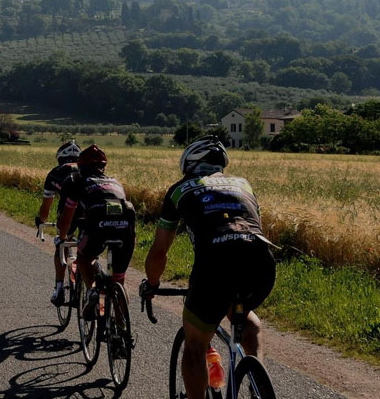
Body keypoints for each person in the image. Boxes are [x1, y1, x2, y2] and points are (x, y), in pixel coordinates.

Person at [140, 137, 276, 399]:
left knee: (195, 346)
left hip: (215, 263)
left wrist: (153, 283)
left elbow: (159, 252)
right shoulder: (244, 185)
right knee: (245, 318)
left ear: (189, 164)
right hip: (259, 259)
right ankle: (257, 382)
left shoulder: (179, 190)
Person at [55, 145, 136, 321]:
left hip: (98, 225)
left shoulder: (76, 180)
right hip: (126, 228)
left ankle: (92, 291)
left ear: (80, 165)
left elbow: (67, 216)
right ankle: (120, 332)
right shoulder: (115, 181)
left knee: (83, 257)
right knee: (118, 279)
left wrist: (62, 238)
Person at [35, 139, 82, 305]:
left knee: (61, 244)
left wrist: (40, 221)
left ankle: (59, 289)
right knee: (88, 248)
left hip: (69, 211)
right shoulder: (89, 169)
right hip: (92, 210)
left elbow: (46, 207)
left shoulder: (55, 173)